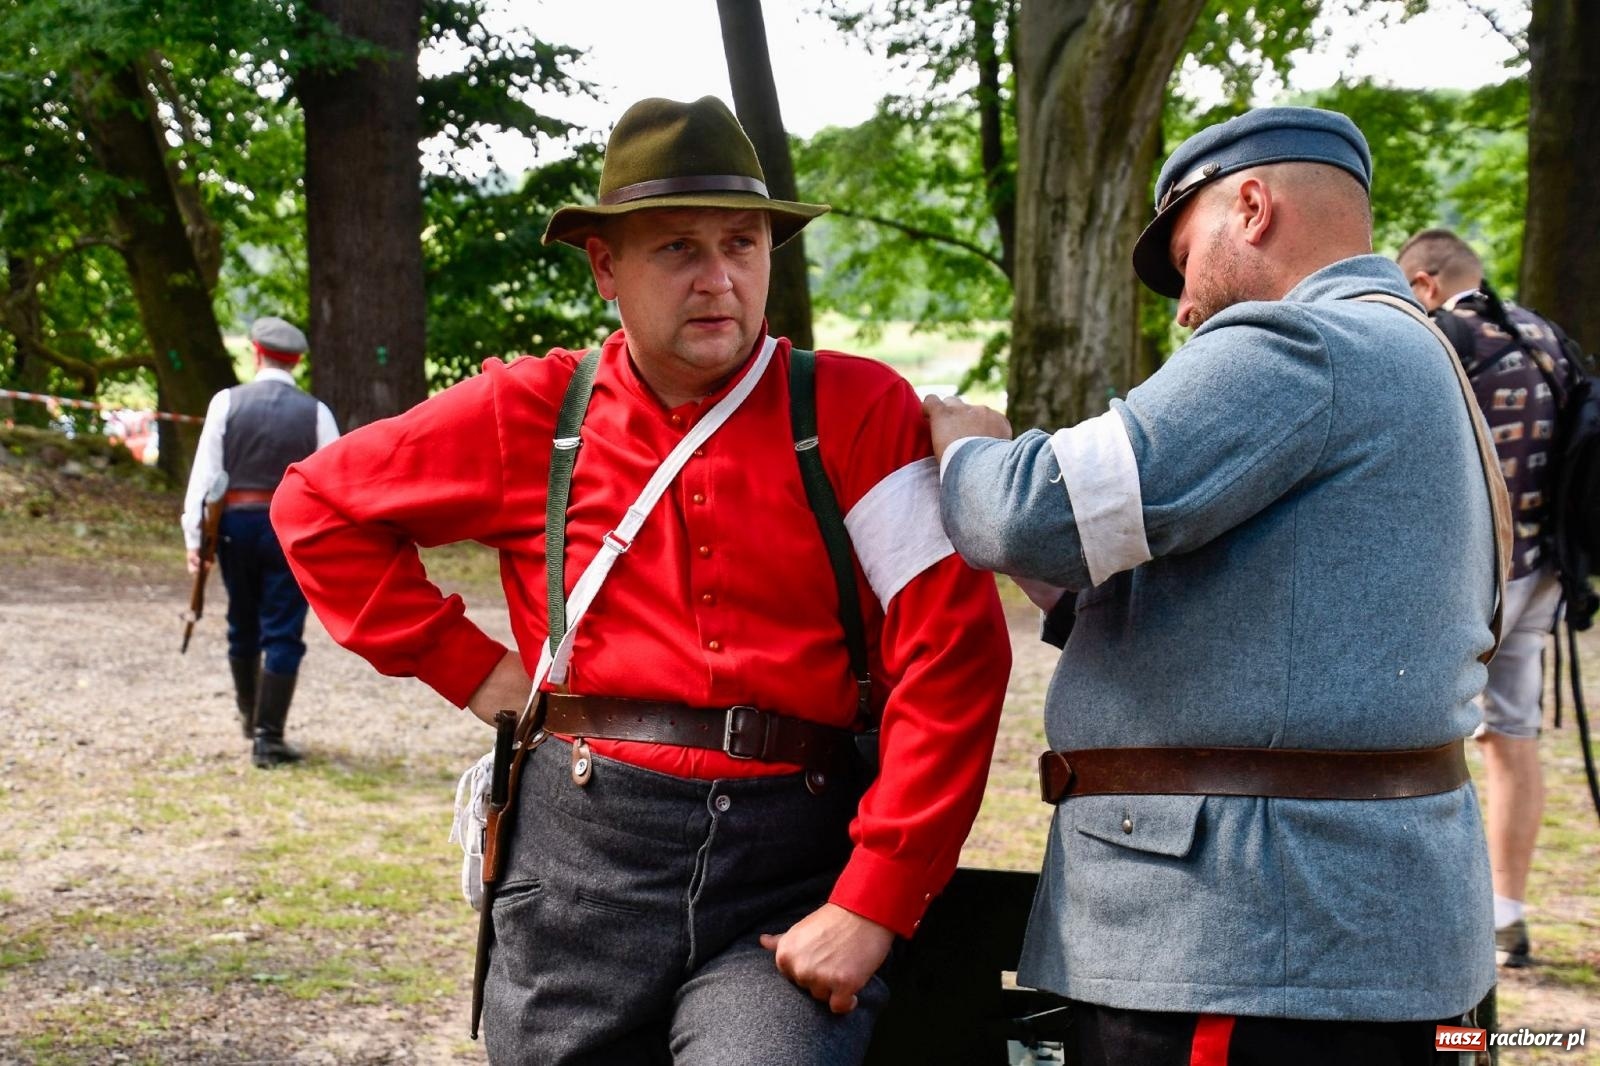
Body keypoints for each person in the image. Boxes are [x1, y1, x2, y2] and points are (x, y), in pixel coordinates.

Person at [270, 95, 1011, 1065]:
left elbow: (949, 654)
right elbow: (316, 508)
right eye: (677, 250)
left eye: (741, 245)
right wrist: (479, 674)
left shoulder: (856, 410)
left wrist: (871, 898)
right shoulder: (529, 411)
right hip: (580, 874)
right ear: (604, 267)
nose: (718, 280)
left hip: (789, 877)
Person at [925, 107, 1506, 1064]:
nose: (1186, 305)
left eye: (1187, 255)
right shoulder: (1418, 355)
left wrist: (969, 447)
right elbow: (1287, 614)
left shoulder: (1301, 349)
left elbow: (1027, 512)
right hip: (1343, 938)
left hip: (1250, 943)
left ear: (1251, 205)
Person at [1398, 228, 1578, 969]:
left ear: (1429, 283)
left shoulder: (1445, 335)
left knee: (1423, 730)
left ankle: (1435, 914)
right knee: (1512, 736)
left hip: (1472, 569)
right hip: (1549, 567)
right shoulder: (1549, 336)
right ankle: (1507, 917)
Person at [181, 316, 338, 768]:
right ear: (298, 361)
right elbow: (331, 483)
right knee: (284, 628)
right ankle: (267, 738)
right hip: (290, 530)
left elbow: (205, 478)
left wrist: (196, 539)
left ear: (255, 352)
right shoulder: (317, 413)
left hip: (236, 526)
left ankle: (251, 719)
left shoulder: (225, 403)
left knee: (241, 621)